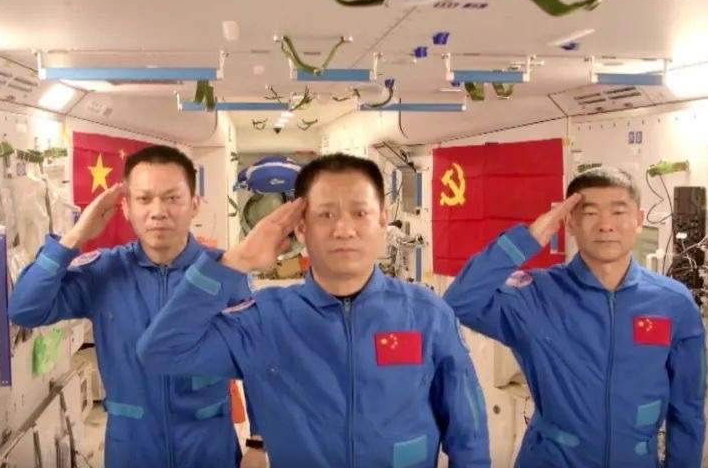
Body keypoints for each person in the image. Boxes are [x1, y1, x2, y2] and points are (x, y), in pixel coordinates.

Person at [137, 153, 490, 467]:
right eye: (326, 214)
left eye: (360, 213)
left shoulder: (427, 315)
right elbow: (159, 350)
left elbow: (468, 430)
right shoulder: (263, 321)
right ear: (302, 228)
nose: (344, 229)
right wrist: (234, 263)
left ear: (383, 220)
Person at [444, 166, 706, 467]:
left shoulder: (673, 303)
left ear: (639, 219)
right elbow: (458, 303)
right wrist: (528, 239)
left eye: (618, 212)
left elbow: (688, 411)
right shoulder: (536, 295)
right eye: (591, 213)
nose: (606, 225)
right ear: (569, 222)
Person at [8, 145, 247, 468]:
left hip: (208, 449)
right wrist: (75, 236)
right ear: (126, 208)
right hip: (132, 449)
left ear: (194, 204)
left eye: (172, 198)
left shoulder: (224, 272)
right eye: (144, 199)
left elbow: (261, 360)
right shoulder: (104, 272)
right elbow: (24, 310)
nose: (158, 211)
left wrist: (258, 441)